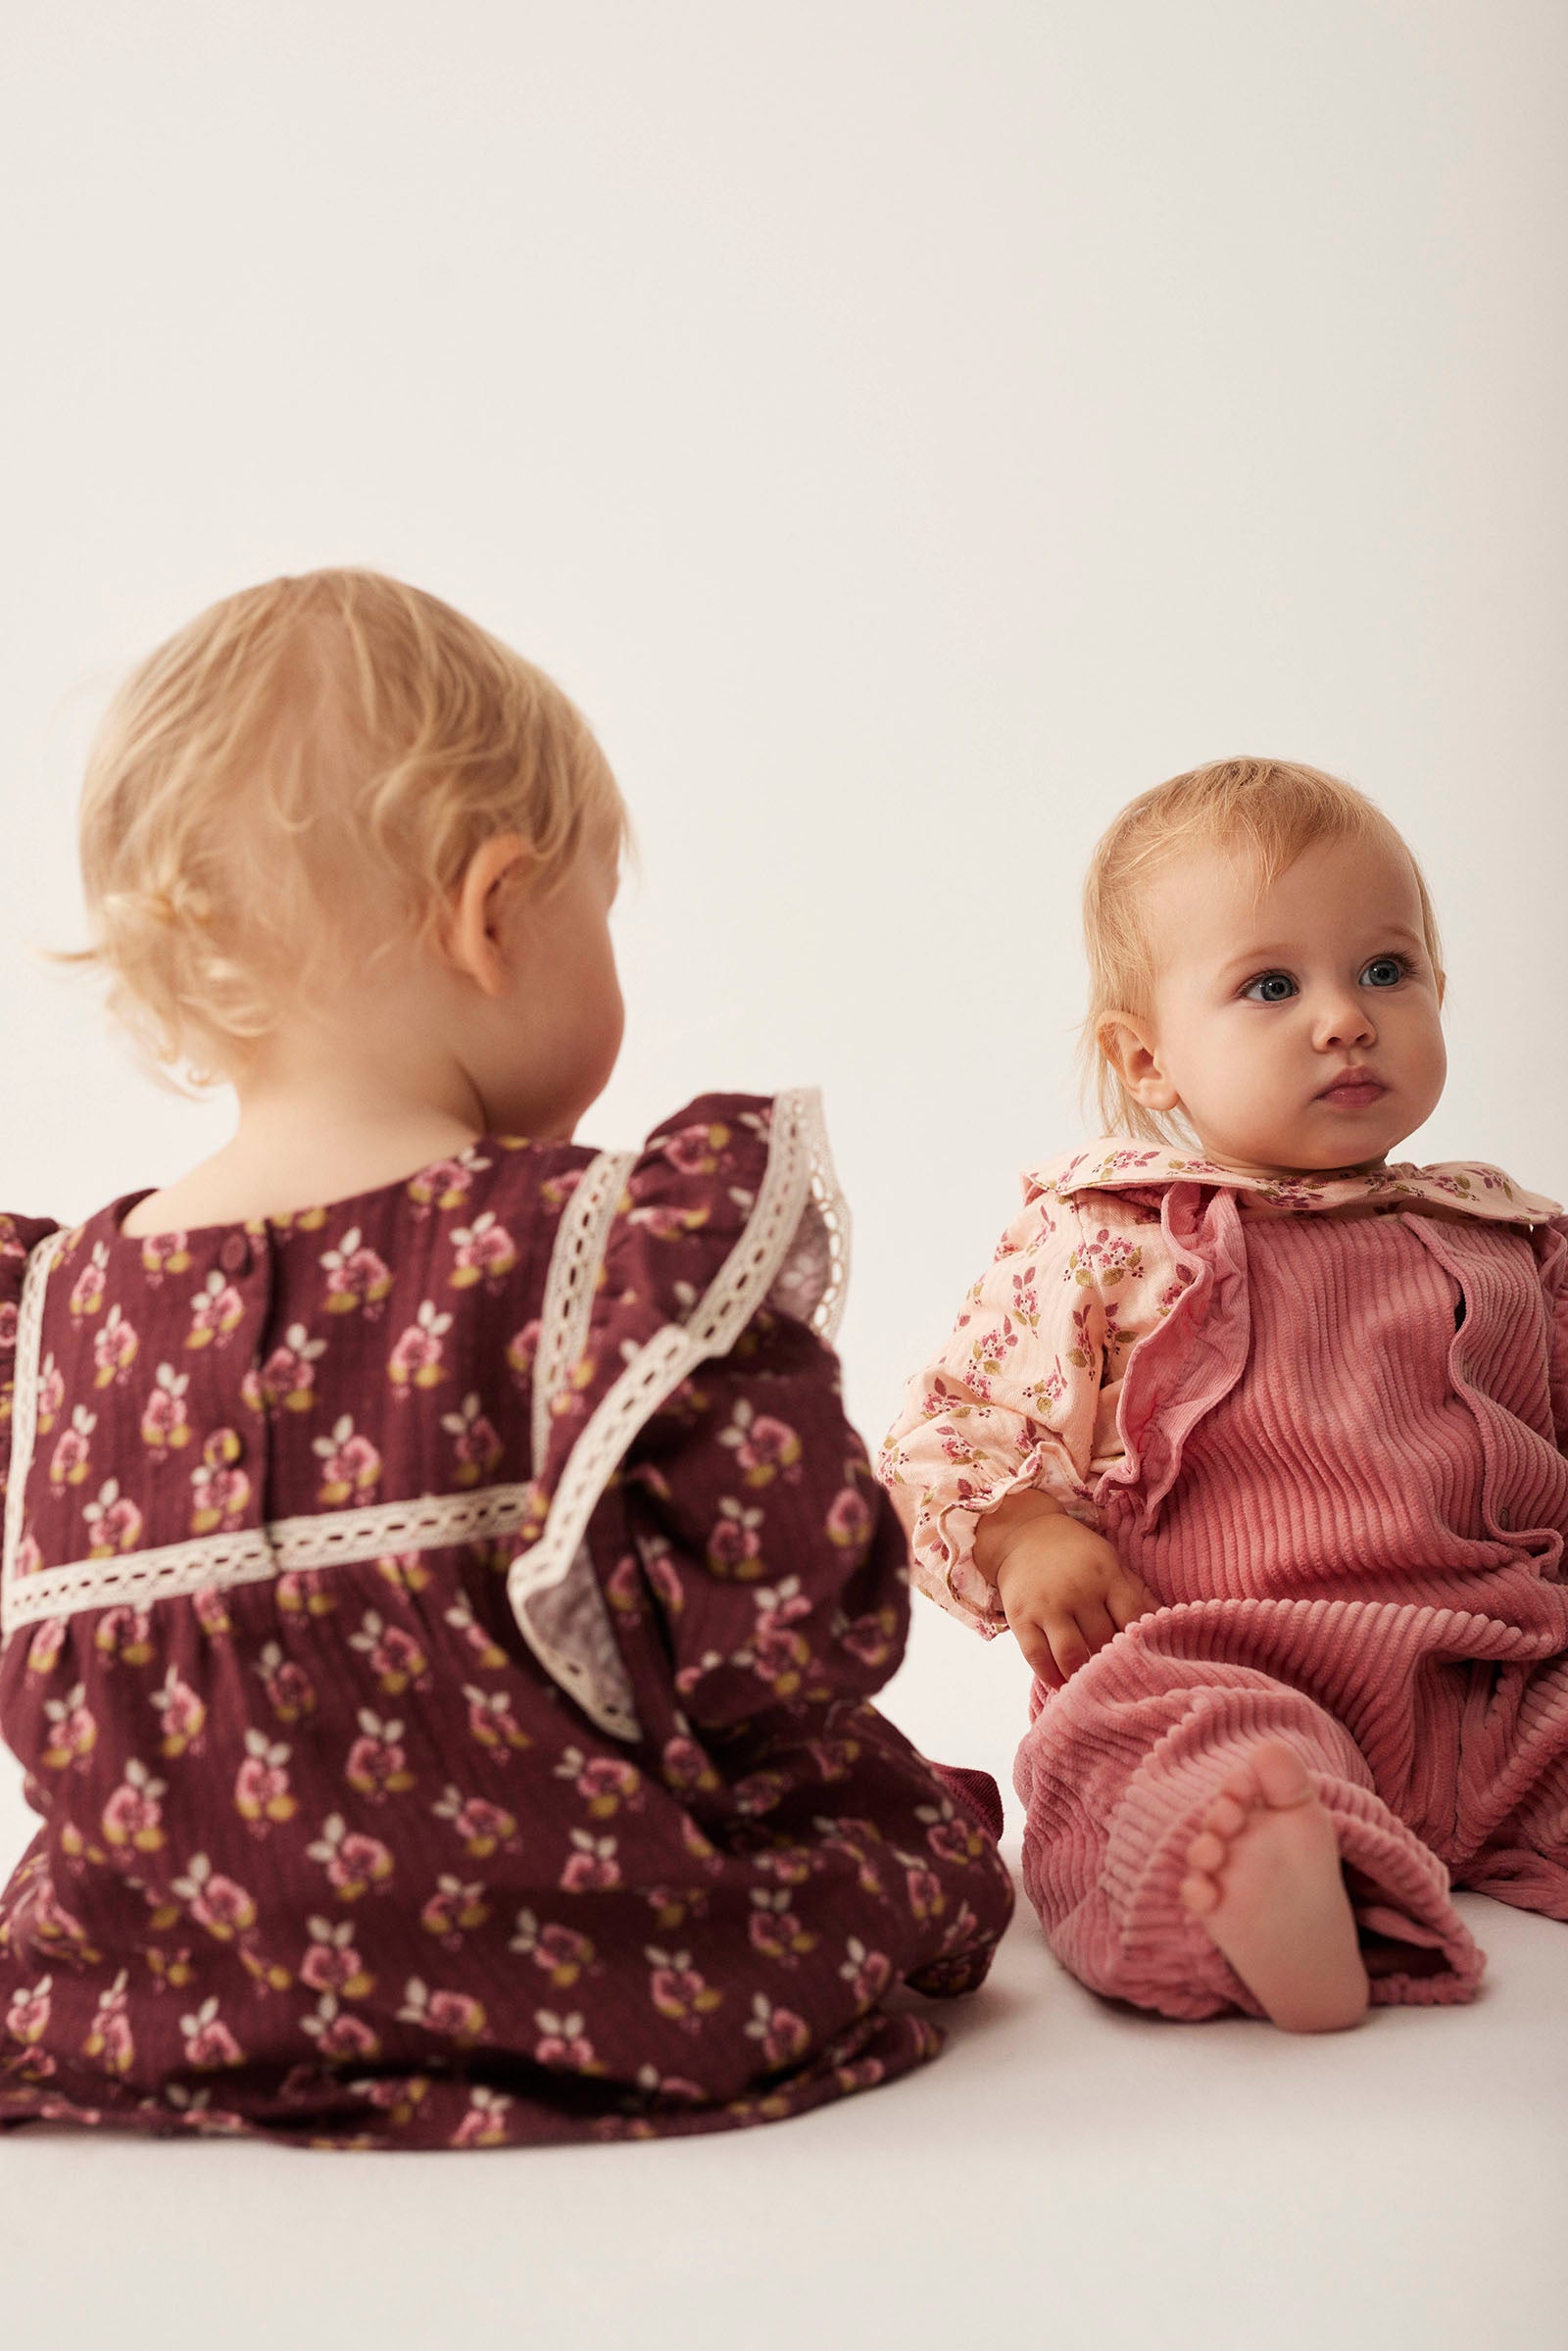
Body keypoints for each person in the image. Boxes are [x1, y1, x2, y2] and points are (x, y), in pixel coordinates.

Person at [0, 567, 1011, 2148]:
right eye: (598, 913)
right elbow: (797, 1631)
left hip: (168, 1994)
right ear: (495, 913)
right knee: (887, 1818)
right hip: (597, 1977)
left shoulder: (66, 1311)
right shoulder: (597, 1255)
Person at [880, 758, 1568, 2033]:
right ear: (1147, 1058)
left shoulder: (1509, 1237)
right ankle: (1267, 1883)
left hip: (1501, 1676)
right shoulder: (1111, 1239)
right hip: (1224, 1660)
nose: (1345, 1019)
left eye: (1387, 971)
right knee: (1151, 1755)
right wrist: (1023, 1534)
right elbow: (949, 1429)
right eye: (1271, 986)